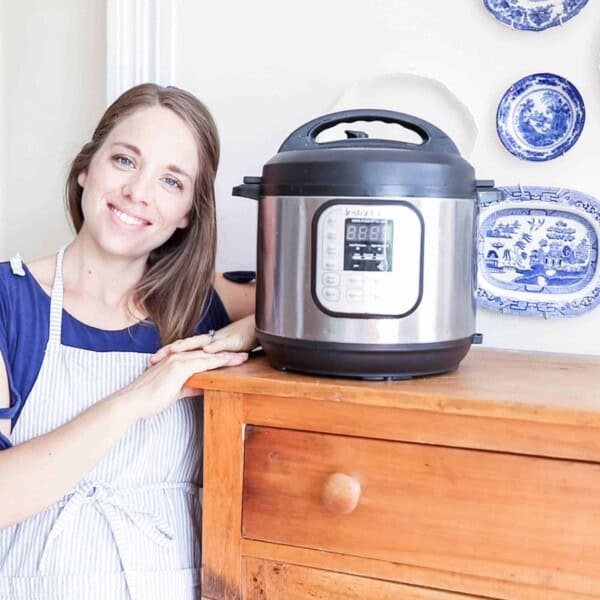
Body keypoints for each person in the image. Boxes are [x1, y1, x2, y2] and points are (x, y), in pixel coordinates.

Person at [0, 83, 257, 599]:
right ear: (85, 170)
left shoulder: (204, 306)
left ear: (188, 212)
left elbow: (318, 304)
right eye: (124, 160)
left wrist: (245, 331)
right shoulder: (10, 300)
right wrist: (135, 400)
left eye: (170, 180)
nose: (139, 192)